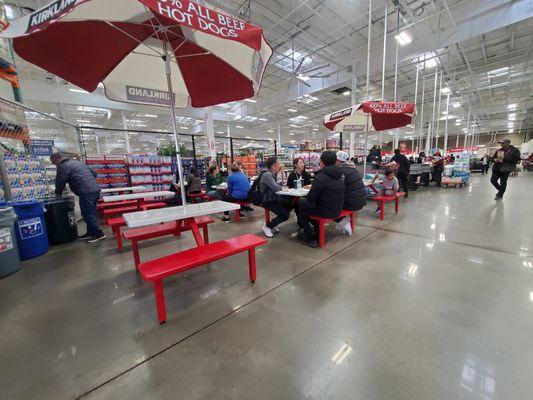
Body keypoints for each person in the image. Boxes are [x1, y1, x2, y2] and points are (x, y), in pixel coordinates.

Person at [50, 153, 105, 243]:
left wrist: (58, 194)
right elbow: (94, 174)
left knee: (87, 213)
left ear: (57, 160)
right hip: (95, 190)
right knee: (91, 212)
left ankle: (99, 234)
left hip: (86, 192)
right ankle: (91, 232)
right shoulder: (78, 162)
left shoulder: (62, 166)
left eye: (53, 163)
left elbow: (60, 181)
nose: (55, 165)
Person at [297, 151, 345, 248]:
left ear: (322, 162)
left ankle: (310, 239)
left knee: (302, 212)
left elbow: (310, 200)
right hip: (338, 209)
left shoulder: (320, 177)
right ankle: (317, 233)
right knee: (311, 208)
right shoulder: (339, 176)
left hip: (326, 211)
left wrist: (301, 201)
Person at [260, 157, 294, 238]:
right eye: (278, 164)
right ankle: (268, 226)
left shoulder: (271, 174)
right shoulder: (267, 174)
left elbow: (277, 186)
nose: (280, 165)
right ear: (273, 166)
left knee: (290, 205)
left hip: (274, 198)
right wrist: (284, 188)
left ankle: (274, 222)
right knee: (285, 215)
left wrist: (282, 187)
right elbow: (276, 187)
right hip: (267, 200)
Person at [334, 151, 366, 236]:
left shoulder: (340, 170)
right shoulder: (353, 168)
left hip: (351, 203)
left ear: (338, 160)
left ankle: (343, 220)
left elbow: (338, 188)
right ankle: (344, 221)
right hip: (361, 201)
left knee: (328, 204)